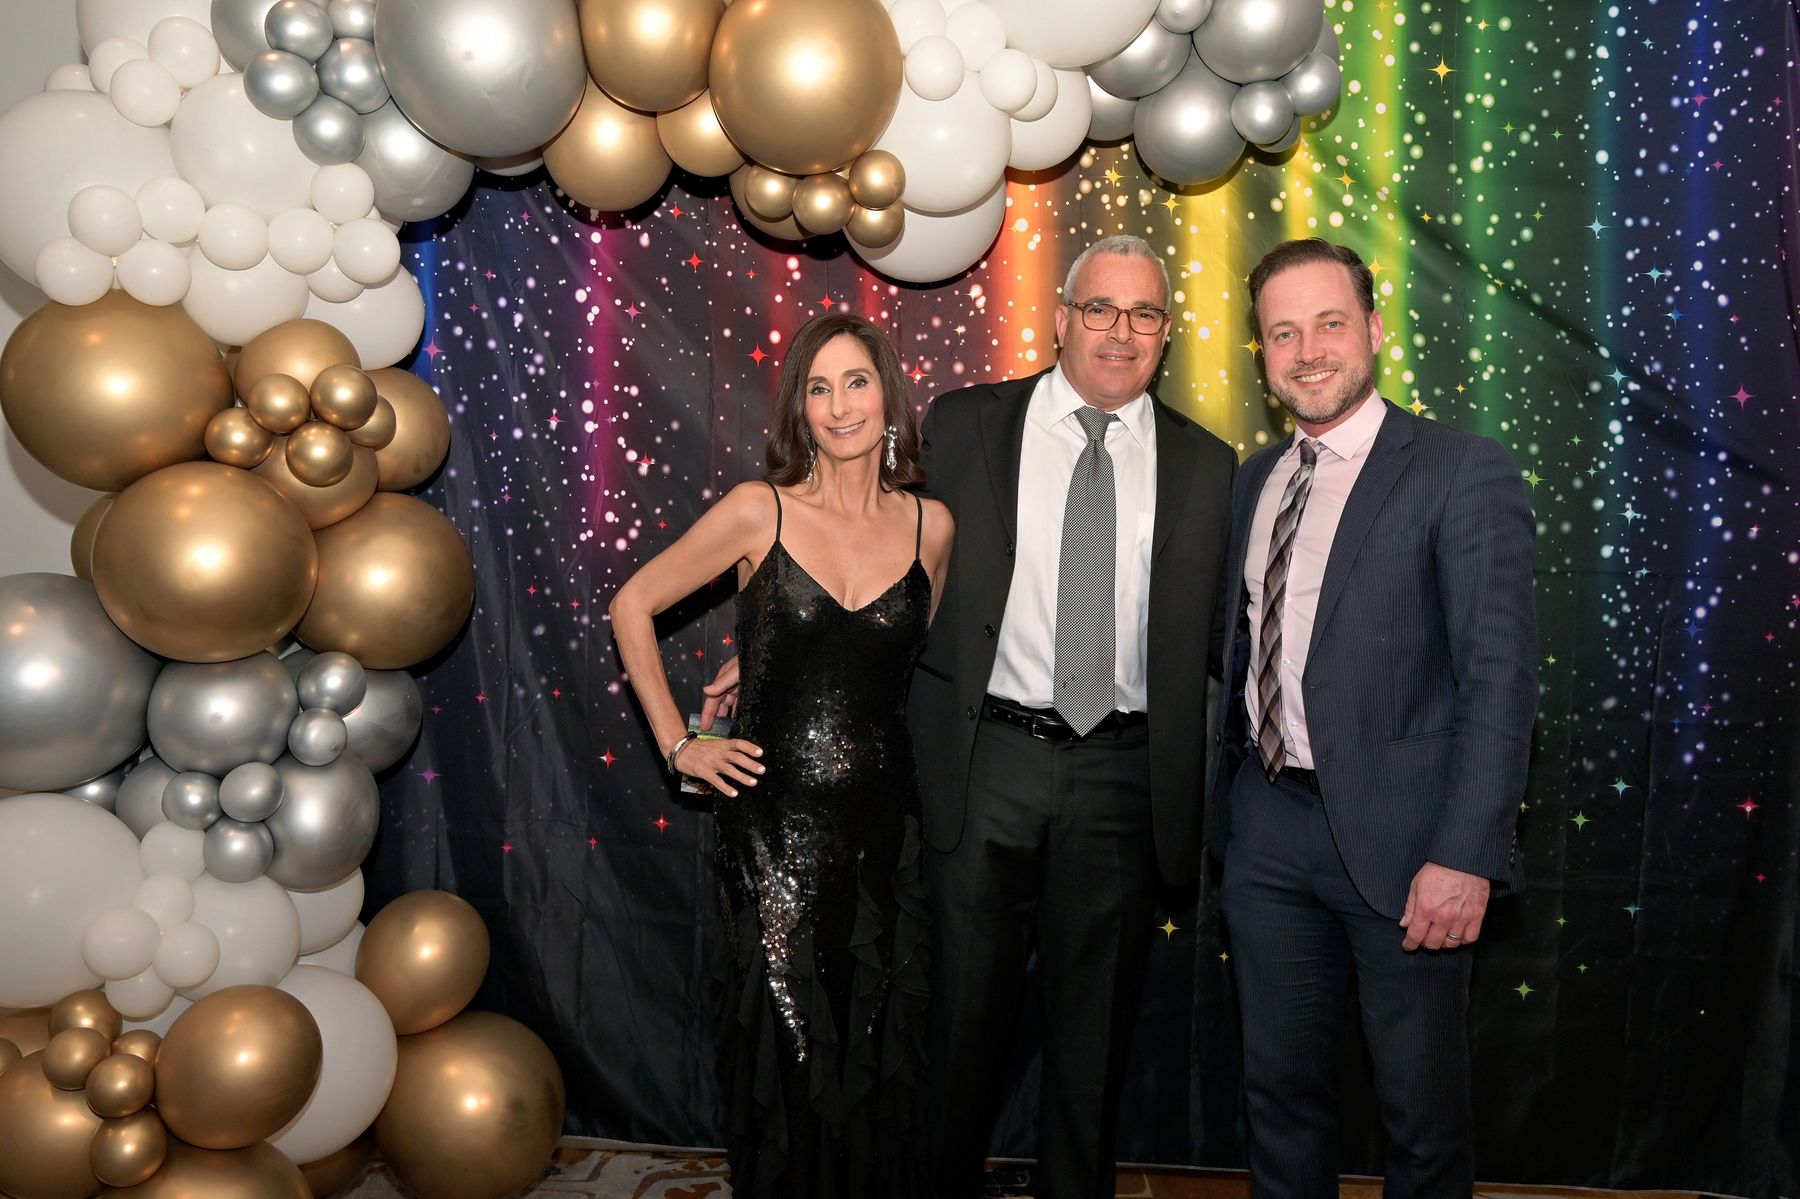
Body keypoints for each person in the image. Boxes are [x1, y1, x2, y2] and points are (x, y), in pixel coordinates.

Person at [909, 234, 1235, 1198]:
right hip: (989, 761)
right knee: (958, 1032)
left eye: (1144, 314)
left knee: (1093, 1051)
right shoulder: (965, 425)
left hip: (1122, 775)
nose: (1120, 331)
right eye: (1100, 308)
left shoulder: (1207, 465)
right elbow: (884, 556)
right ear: (1061, 319)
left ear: (1166, 333)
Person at [1210, 237, 1537, 1195]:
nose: (1308, 350)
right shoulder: (1253, 481)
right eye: (1283, 333)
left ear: (1376, 330)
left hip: (1409, 843)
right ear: (1262, 353)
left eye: (1329, 323)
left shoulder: (1459, 469)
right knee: (1279, 1099)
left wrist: (1467, 853)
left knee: (1421, 1121)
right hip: (1267, 829)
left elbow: (1500, 677)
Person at [608, 312, 953, 1198]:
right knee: (787, 1056)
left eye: (856, 382)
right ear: (800, 408)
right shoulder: (757, 508)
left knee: (878, 1052)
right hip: (772, 836)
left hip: (886, 833)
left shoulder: (933, 526)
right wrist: (678, 743)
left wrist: (763, 655)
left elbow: (897, 660)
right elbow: (632, 605)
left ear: (889, 395)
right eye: (818, 388)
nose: (840, 406)